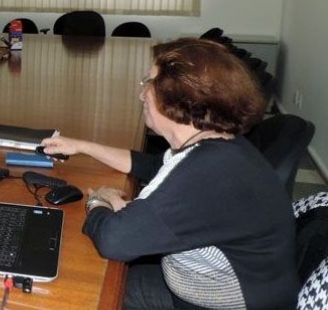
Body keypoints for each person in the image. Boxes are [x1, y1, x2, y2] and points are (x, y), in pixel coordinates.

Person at [40, 38, 299, 310]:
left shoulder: (208, 174)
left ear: (178, 98)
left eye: (149, 83)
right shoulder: (216, 143)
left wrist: (99, 203)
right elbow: (152, 167)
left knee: (79, 289)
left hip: (222, 305)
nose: (142, 94)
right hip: (194, 287)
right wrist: (82, 146)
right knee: (100, 282)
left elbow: (114, 240)